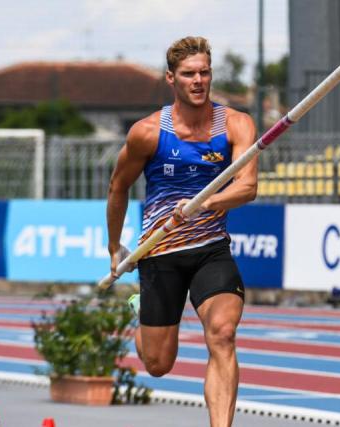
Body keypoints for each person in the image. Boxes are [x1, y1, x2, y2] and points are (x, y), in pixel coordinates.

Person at [106, 36, 256, 427]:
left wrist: (203, 204)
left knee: (222, 333)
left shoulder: (236, 124)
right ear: (171, 78)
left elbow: (247, 187)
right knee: (158, 364)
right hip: (160, 253)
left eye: (205, 72)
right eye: (189, 73)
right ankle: (141, 309)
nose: (198, 80)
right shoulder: (148, 132)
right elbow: (117, 187)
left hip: (211, 248)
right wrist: (113, 247)